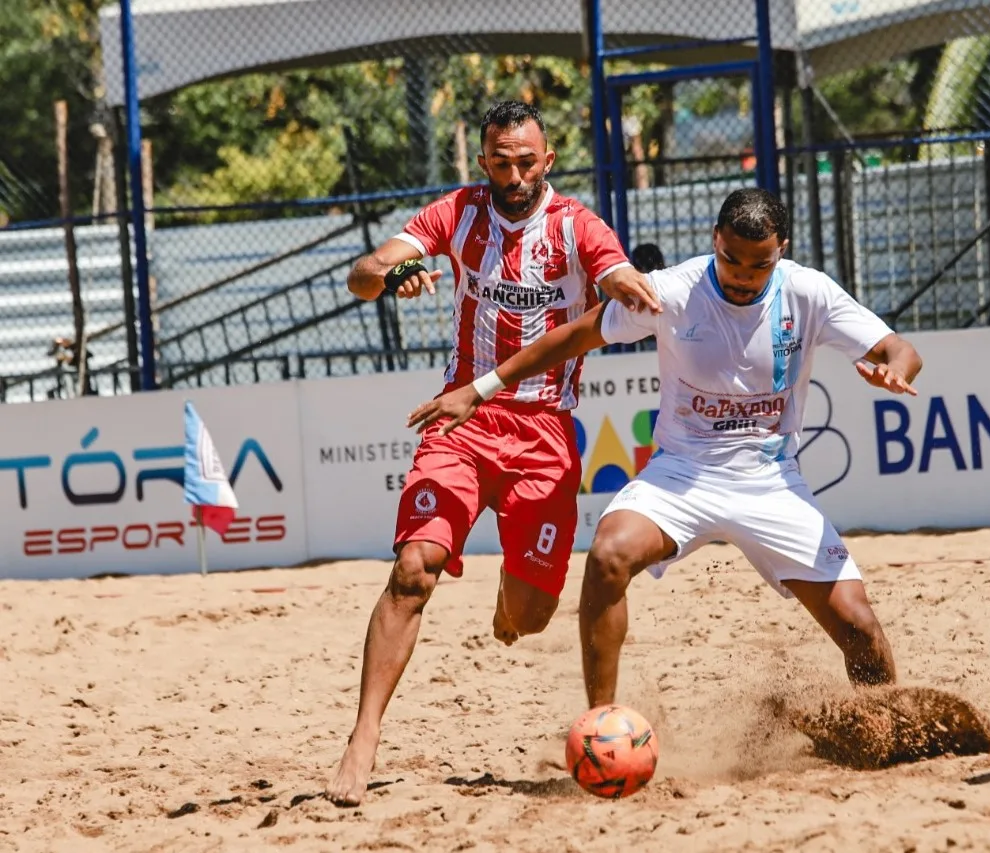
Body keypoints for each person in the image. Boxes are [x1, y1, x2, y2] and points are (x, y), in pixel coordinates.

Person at [408, 188, 924, 709]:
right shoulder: (672, 291)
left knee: (858, 625)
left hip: (770, 479)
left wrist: (894, 372)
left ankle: (886, 726)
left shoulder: (809, 293)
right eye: (731, 260)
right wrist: (479, 389)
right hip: (681, 473)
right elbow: (570, 338)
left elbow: (899, 349)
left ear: (781, 250)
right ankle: (602, 723)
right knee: (608, 554)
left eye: (759, 264)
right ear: (715, 240)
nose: (744, 275)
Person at [325, 100, 659, 807]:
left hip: (543, 437)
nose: (513, 174)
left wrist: (629, 284)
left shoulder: (575, 225)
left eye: (525, 161)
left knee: (532, 615)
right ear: (483, 162)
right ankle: (361, 740)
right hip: (461, 420)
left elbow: (615, 273)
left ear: (548, 159)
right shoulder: (456, 212)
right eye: (500, 162)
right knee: (414, 569)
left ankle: (510, 608)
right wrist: (387, 276)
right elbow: (362, 271)